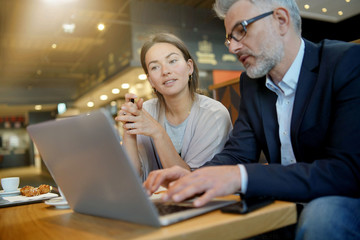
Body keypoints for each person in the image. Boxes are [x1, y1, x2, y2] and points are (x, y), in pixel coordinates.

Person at [143, 0, 360, 239]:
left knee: (323, 217)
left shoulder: (347, 62)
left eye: (241, 30)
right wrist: (195, 177)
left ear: (281, 20)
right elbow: (238, 153)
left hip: (340, 199)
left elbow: (346, 171)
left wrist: (240, 176)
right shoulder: (252, 83)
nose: (233, 47)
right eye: (229, 38)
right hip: (285, 201)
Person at [116, 33, 233, 181]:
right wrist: (129, 130)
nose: (165, 71)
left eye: (172, 61)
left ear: (189, 67)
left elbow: (190, 182)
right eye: (155, 67)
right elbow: (132, 180)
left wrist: (158, 133)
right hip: (158, 202)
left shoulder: (213, 114)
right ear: (150, 80)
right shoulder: (146, 111)